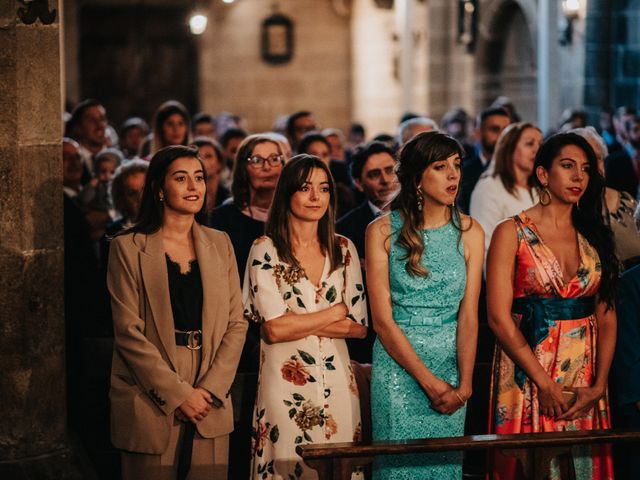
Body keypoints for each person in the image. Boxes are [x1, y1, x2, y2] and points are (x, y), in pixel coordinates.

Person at [107, 145, 247, 480]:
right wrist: (179, 394)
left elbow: (236, 323)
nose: (193, 187)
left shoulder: (220, 242)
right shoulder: (127, 247)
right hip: (150, 386)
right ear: (158, 188)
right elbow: (128, 332)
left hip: (210, 380)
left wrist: (210, 389)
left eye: (199, 178)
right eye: (181, 178)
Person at [487, 133, 618, 479]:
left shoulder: (594, 233)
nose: (578, 177)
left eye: (586, 169)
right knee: (531, 465)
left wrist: (599, 384)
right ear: (543, 174)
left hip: (585, 377)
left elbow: (606, 315)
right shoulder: (510, 232)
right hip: (528, 371)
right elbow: (499, 318)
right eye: (567, 166)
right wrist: (543, 384)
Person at [366, 131, 483, 478]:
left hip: (452, 365)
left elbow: (469, 316)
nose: (453, 175)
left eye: (457, 166)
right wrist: (430, 383)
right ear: (417, 178)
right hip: (399, 369)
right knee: (399, 470)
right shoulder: (382, 231)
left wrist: (464, 386)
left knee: (444, 470)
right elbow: (382, 322)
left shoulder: (471, 231)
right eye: (440, 166)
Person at [243, 154, 368, 479]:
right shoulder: (265, 249)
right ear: (287, 193)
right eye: (305, 188)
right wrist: (334, 312)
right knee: (288, 466)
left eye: (324, 188)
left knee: (339, 468)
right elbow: (273, 330)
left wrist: (300, 321)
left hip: (339, 383)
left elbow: (358, 328)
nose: (316, 197)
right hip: (284, 387)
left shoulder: (344, 248)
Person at [208, 133, 285, 479]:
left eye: (275, 159)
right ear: (243, 168)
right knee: (242, 422)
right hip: (238, 329)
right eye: (257, 160)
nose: (267, 167)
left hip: (286, 326)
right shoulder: (223, 219)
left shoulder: (295, 216)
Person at [572, 126, 640, 270]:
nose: (594, 165)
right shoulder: (565, 210)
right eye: (585, 159)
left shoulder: (628, 202)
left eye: (597, 157)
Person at [470, 121, 542, 255]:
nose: (537, 150)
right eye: (529, 144)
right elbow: (484, 246)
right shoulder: (489, 187)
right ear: (510, 148)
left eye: (540, 144)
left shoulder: (538, 188)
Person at [457, 107, 512, 214]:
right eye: (495, 129)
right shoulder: (463, 173)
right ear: (478, 134)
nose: (502, 136)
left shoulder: (521, 171)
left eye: (506, 130)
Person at [191, 137, 230, 214]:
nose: (202, 160)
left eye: (208, 156)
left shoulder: (230, 198)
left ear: (220, 163)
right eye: (197, 157)